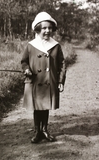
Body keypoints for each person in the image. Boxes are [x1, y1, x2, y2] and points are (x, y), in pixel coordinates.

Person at [21, 12, 66, 143]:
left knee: (45, 106)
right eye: (44, 28)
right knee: (37, 106)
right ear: (38, 29)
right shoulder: (31, 45)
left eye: (50, 28)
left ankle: (45, 130)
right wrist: (27, 69)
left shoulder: (55, 46)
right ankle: (37, 131)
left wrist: (60, 80)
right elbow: (24, 61)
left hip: (49, 81)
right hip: (35, 81)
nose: (47, 31)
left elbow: (62, 64)